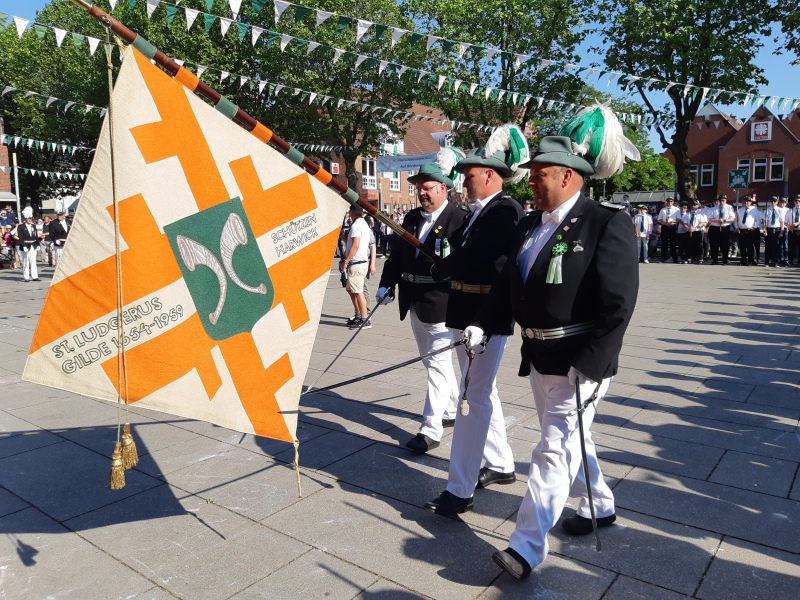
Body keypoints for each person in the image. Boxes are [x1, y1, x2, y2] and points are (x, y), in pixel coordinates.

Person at [472, 134, 638, 580]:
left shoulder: (604, 222)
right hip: (540, 355)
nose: (531, 183)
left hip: (579, 360)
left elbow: (618, 303)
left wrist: (591, 363)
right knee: (569, 439)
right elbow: (509, 284)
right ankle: (599, 505)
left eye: (539, 175)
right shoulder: (530, 224)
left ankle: (525, 547)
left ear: (567, 177)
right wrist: (482, 323)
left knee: (553, 447)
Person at [424, 124, 529, 516]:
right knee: (482, 392)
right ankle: (500, 464)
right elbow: (462, 249)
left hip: (484, 315)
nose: (463, 183)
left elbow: (476, 256)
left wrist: (440, 268)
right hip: (466, 310)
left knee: (471, 398)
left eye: (468, 176)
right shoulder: (477, 213)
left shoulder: (505, 210)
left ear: (489, 175)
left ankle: (459, 489)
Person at [377, 159, 467, 453]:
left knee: (438, 364)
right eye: (419, 189)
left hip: (442, 303)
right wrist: (386, 283)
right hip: (414, 300)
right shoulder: (412, 217)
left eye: (427, 188)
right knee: (432, 362)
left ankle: (430, 430)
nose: (422, 193)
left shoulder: (459, 219)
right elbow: (397, 255)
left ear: (443, 188)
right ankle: (450, 408)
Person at [339, 204, 372, 329]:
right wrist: (344, 239)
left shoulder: (356, 226)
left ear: (352, 213)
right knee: (350, 289)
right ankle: (359, 315)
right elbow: (356, 244)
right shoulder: (363, 224)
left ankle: (365, 319)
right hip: (360, 262)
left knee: (358, 292)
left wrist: (346, 261)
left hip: (356, 263)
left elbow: (356, 245)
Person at [707, 194, 735, 265]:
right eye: (720, 200)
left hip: (725, 227)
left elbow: (732, 219)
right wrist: (717, 220)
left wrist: (724, 220)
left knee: (725, 244)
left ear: (726, 200)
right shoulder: (714, 208)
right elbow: (710, 219)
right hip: (715, 227)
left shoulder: (729, 207)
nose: (722, 202)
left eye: (723, 200)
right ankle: (715, 260)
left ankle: (725, 260)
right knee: (715, 244)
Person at [14, 214, 41, 282]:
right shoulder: (21, 226)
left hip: (33, 245)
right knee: (26, 261)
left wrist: (37, 244)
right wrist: (23, 246)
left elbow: (36, 236)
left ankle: (35, 276)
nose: (29, 220)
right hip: (25, 245)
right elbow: (21, 237)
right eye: (28, 218)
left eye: (30, 218)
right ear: (25, 219)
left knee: (33, 261)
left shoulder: (33, 226)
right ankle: (26, 277)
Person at [737, 196, 761, 266]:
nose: (746, 203)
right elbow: (736, 220)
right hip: (741, 230)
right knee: (742, 246)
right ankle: (743, 261)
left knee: (750, 246)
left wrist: (754, 227)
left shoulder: (754, 210)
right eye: (744, 201)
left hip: (750, 230)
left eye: (747, 201)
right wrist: (736, 227)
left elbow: (758, 220)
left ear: (750, 202)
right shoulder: (739, 210)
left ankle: (751, 261)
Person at [682, 199, 707, 264]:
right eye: (692, 205)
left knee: (699, 245)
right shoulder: (687, 214)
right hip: (689, 231)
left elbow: (702, 223)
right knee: (688, 245)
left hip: (698, 231)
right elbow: (685, 223)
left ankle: (700, 258)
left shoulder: (700, 214)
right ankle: (688, 258)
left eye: (695, 205)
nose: (693, 206)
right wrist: (687, 227)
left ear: (698, 206)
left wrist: (695, 228)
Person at [657, 197, 680, 263]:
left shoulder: (676, 209)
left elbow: (678, 219)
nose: (669, 202)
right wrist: (664, 223)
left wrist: (672, 221)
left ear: (673, 202)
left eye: (671, 201)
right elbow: (659, 219)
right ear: (666, 202)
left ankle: (674, 259)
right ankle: (663, 259)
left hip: (672, 226)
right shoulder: (663, 210)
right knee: (664, 243)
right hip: (665, 226)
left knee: (673, 243)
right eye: (668, 201)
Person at [763, 196, 783, 267]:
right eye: (771, 201)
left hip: (777, 229)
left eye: (774, 201)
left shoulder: (780, 210)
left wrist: (781, 231)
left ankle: (776, 261)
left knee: (777, 246)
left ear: (777, 202)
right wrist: (765, 230)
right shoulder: (767, 210)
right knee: (768, 246)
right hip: (769, 229)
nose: (773, 202)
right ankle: (767, 261)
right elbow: (765, 221)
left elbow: (782, 222)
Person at [788, 195, 800, 266]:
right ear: (794, 202)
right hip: (792, 231)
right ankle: (790, 261)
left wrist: (797, 223)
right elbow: (785, 221)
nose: (797, 202)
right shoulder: (790, 210)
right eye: (796, 201)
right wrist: (789, 227)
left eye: (799, 201)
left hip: (799, 230)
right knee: (791, 247)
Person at [776, 197, 789, 266]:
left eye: (784, 202)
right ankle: (780, 258)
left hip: (786, 229)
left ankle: (786, 259)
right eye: (781, 202)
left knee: (786, 245)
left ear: (786, 203)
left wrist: (787, 227)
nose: (782, 204)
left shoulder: (788, 210)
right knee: (779, 245)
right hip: (779, 228)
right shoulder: (777, 209)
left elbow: (789, 220)